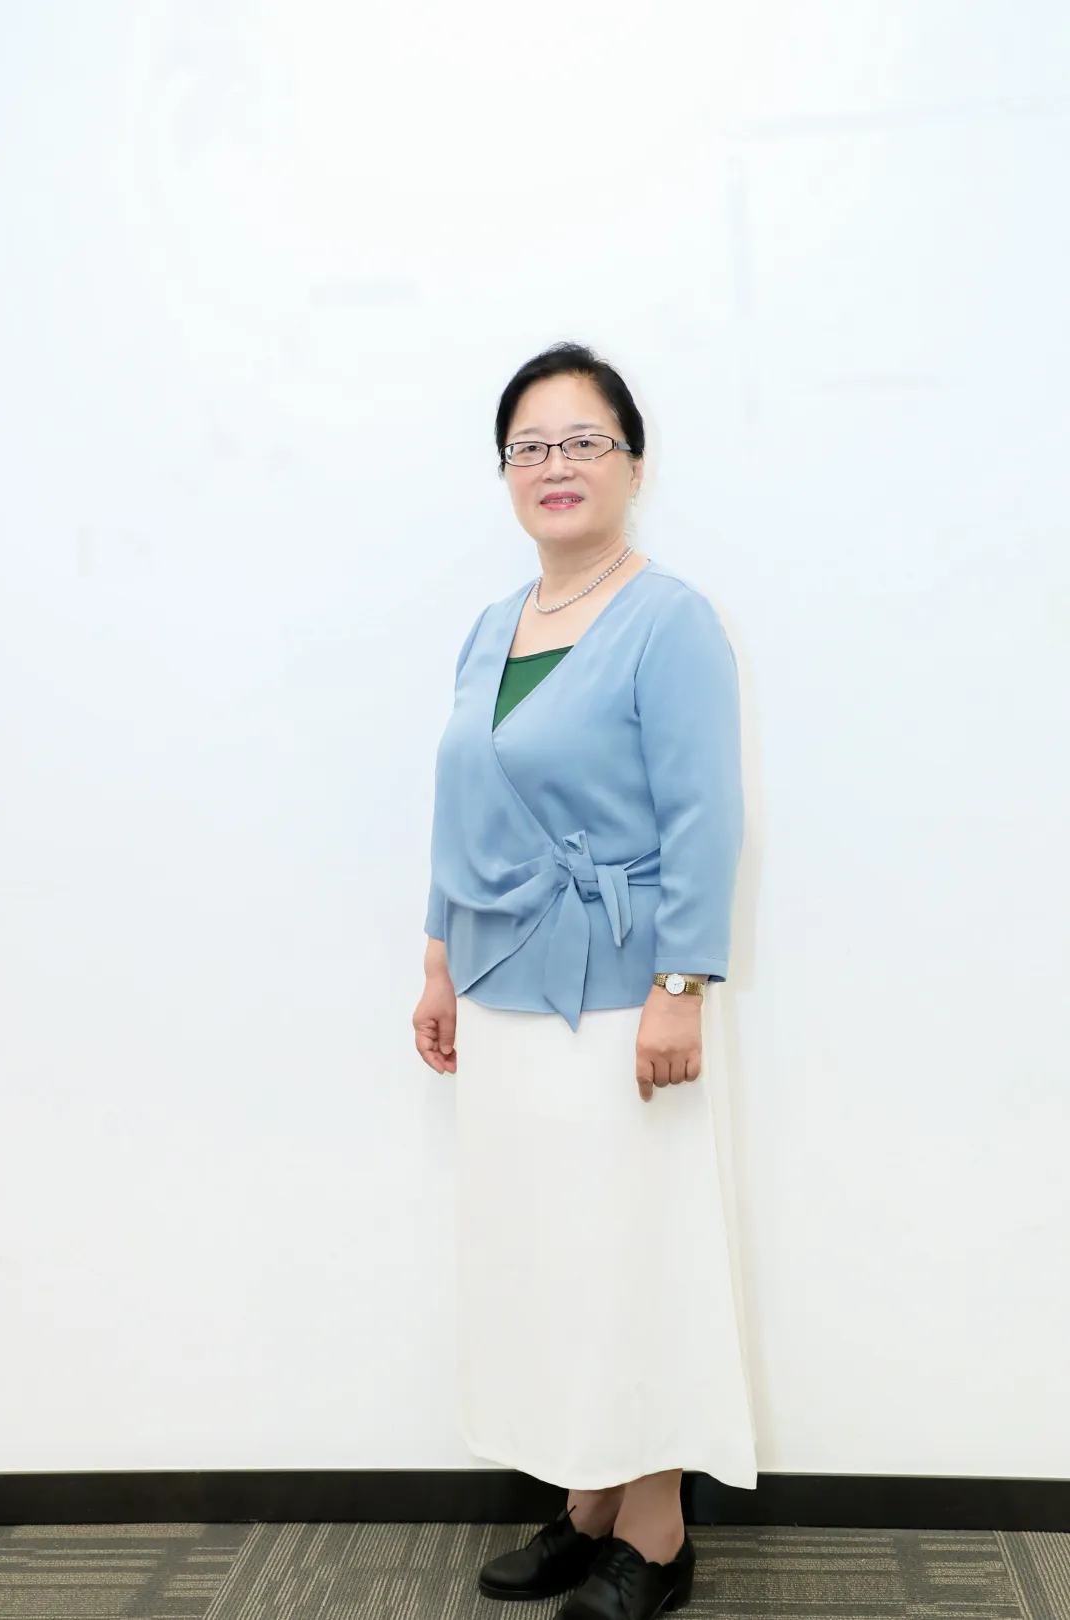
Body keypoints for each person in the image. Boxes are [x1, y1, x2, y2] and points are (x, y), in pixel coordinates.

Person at [412, 341, 758, 1620]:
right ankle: (588, 1502)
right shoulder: (490, 627)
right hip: (500, 988)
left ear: (634, 465)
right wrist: (438, 961)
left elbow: (706, 815)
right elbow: (460, 809)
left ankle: (657, 1533)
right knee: (549, 1254)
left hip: (619, 994)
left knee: (631, 1254)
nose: (554, 465)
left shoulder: (671, 620)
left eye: (582, 441)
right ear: (505, 472)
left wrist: (682, 983)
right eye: (530, 447)